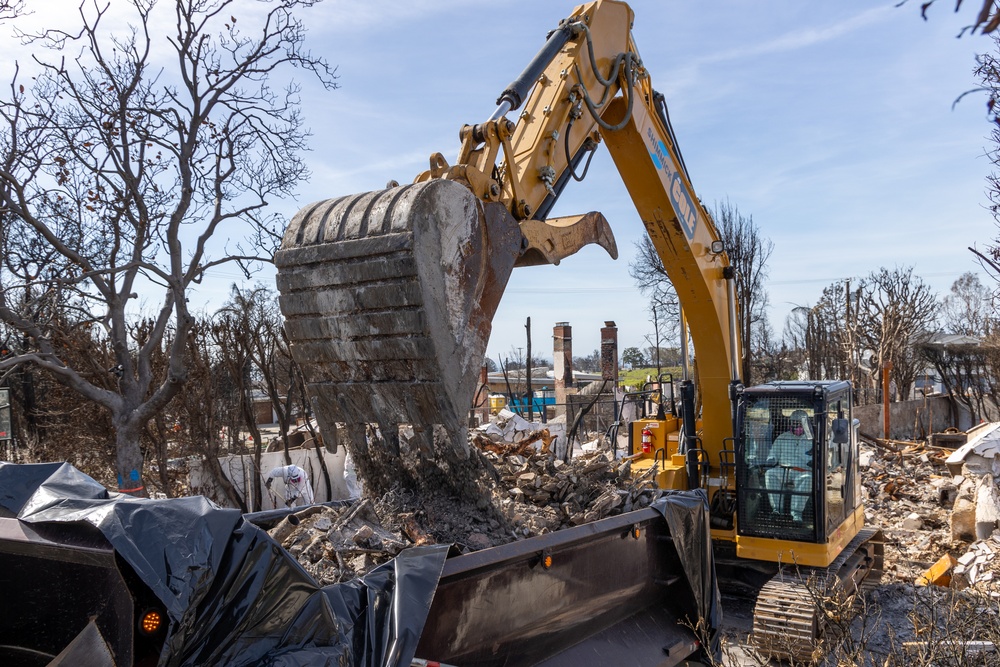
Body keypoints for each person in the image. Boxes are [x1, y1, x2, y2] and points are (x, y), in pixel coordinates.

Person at [765, 410, 813, 521]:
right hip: (783, 470)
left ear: (805, 423)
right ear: (790, 423)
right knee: (770, 474)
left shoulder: (811, 440)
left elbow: (818, 458)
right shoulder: (782, 438)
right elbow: (773, 454)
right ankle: (777, 510)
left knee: (808, 479)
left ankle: (796, 514)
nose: (796, 426)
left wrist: (811, 461)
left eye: (799, 423)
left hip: (802, 472)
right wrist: (770, 460)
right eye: (794, 423)